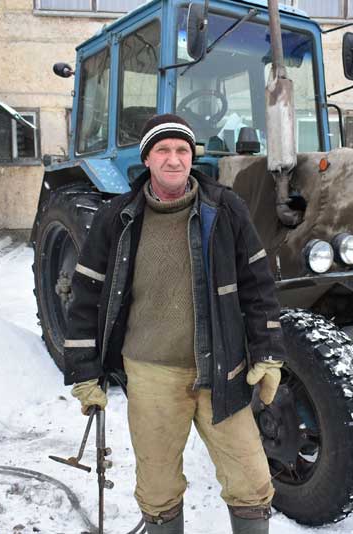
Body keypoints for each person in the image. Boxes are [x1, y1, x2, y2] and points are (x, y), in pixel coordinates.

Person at [63, 114, 286, 534]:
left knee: (252, 482)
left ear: (191, 157)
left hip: (222, 369)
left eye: (182, 150)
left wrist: (269, 353)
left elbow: (259, 285)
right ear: (147, 159)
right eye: (163, 150)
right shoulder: (117, 217)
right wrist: (84, 371)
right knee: (158, 488)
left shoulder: (225, 210)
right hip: (151, 376)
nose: (173, 158)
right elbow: (86, 296)